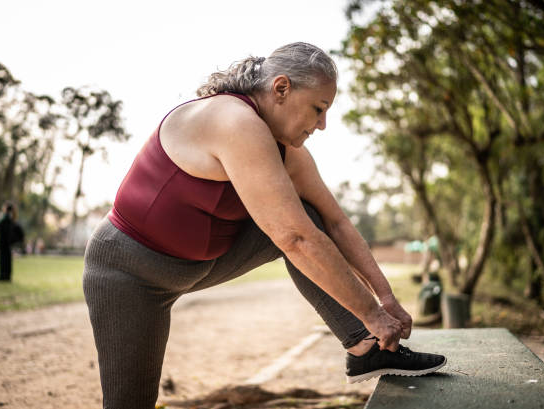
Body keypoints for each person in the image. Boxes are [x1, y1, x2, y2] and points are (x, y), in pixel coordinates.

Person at [83, 42, 446, 409]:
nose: (322, 124)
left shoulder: (289, 151)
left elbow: (336, 224)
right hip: (131, 271)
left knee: (309, 213)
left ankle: (365, 348)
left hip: (203, 264)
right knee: (129, 403)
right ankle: (366, 332)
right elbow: (294, 238)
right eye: (318, 109)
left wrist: (385, 299)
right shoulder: (234, 121)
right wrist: (372, 314)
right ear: (282, 88)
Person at [0, 201, 16, 282]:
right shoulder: (11, 217)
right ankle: (7, 276)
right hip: (8, 242)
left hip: (3, 242)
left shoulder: (4, 217)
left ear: (6, 208)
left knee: (2, 260)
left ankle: (2, 276)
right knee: (8, 260)